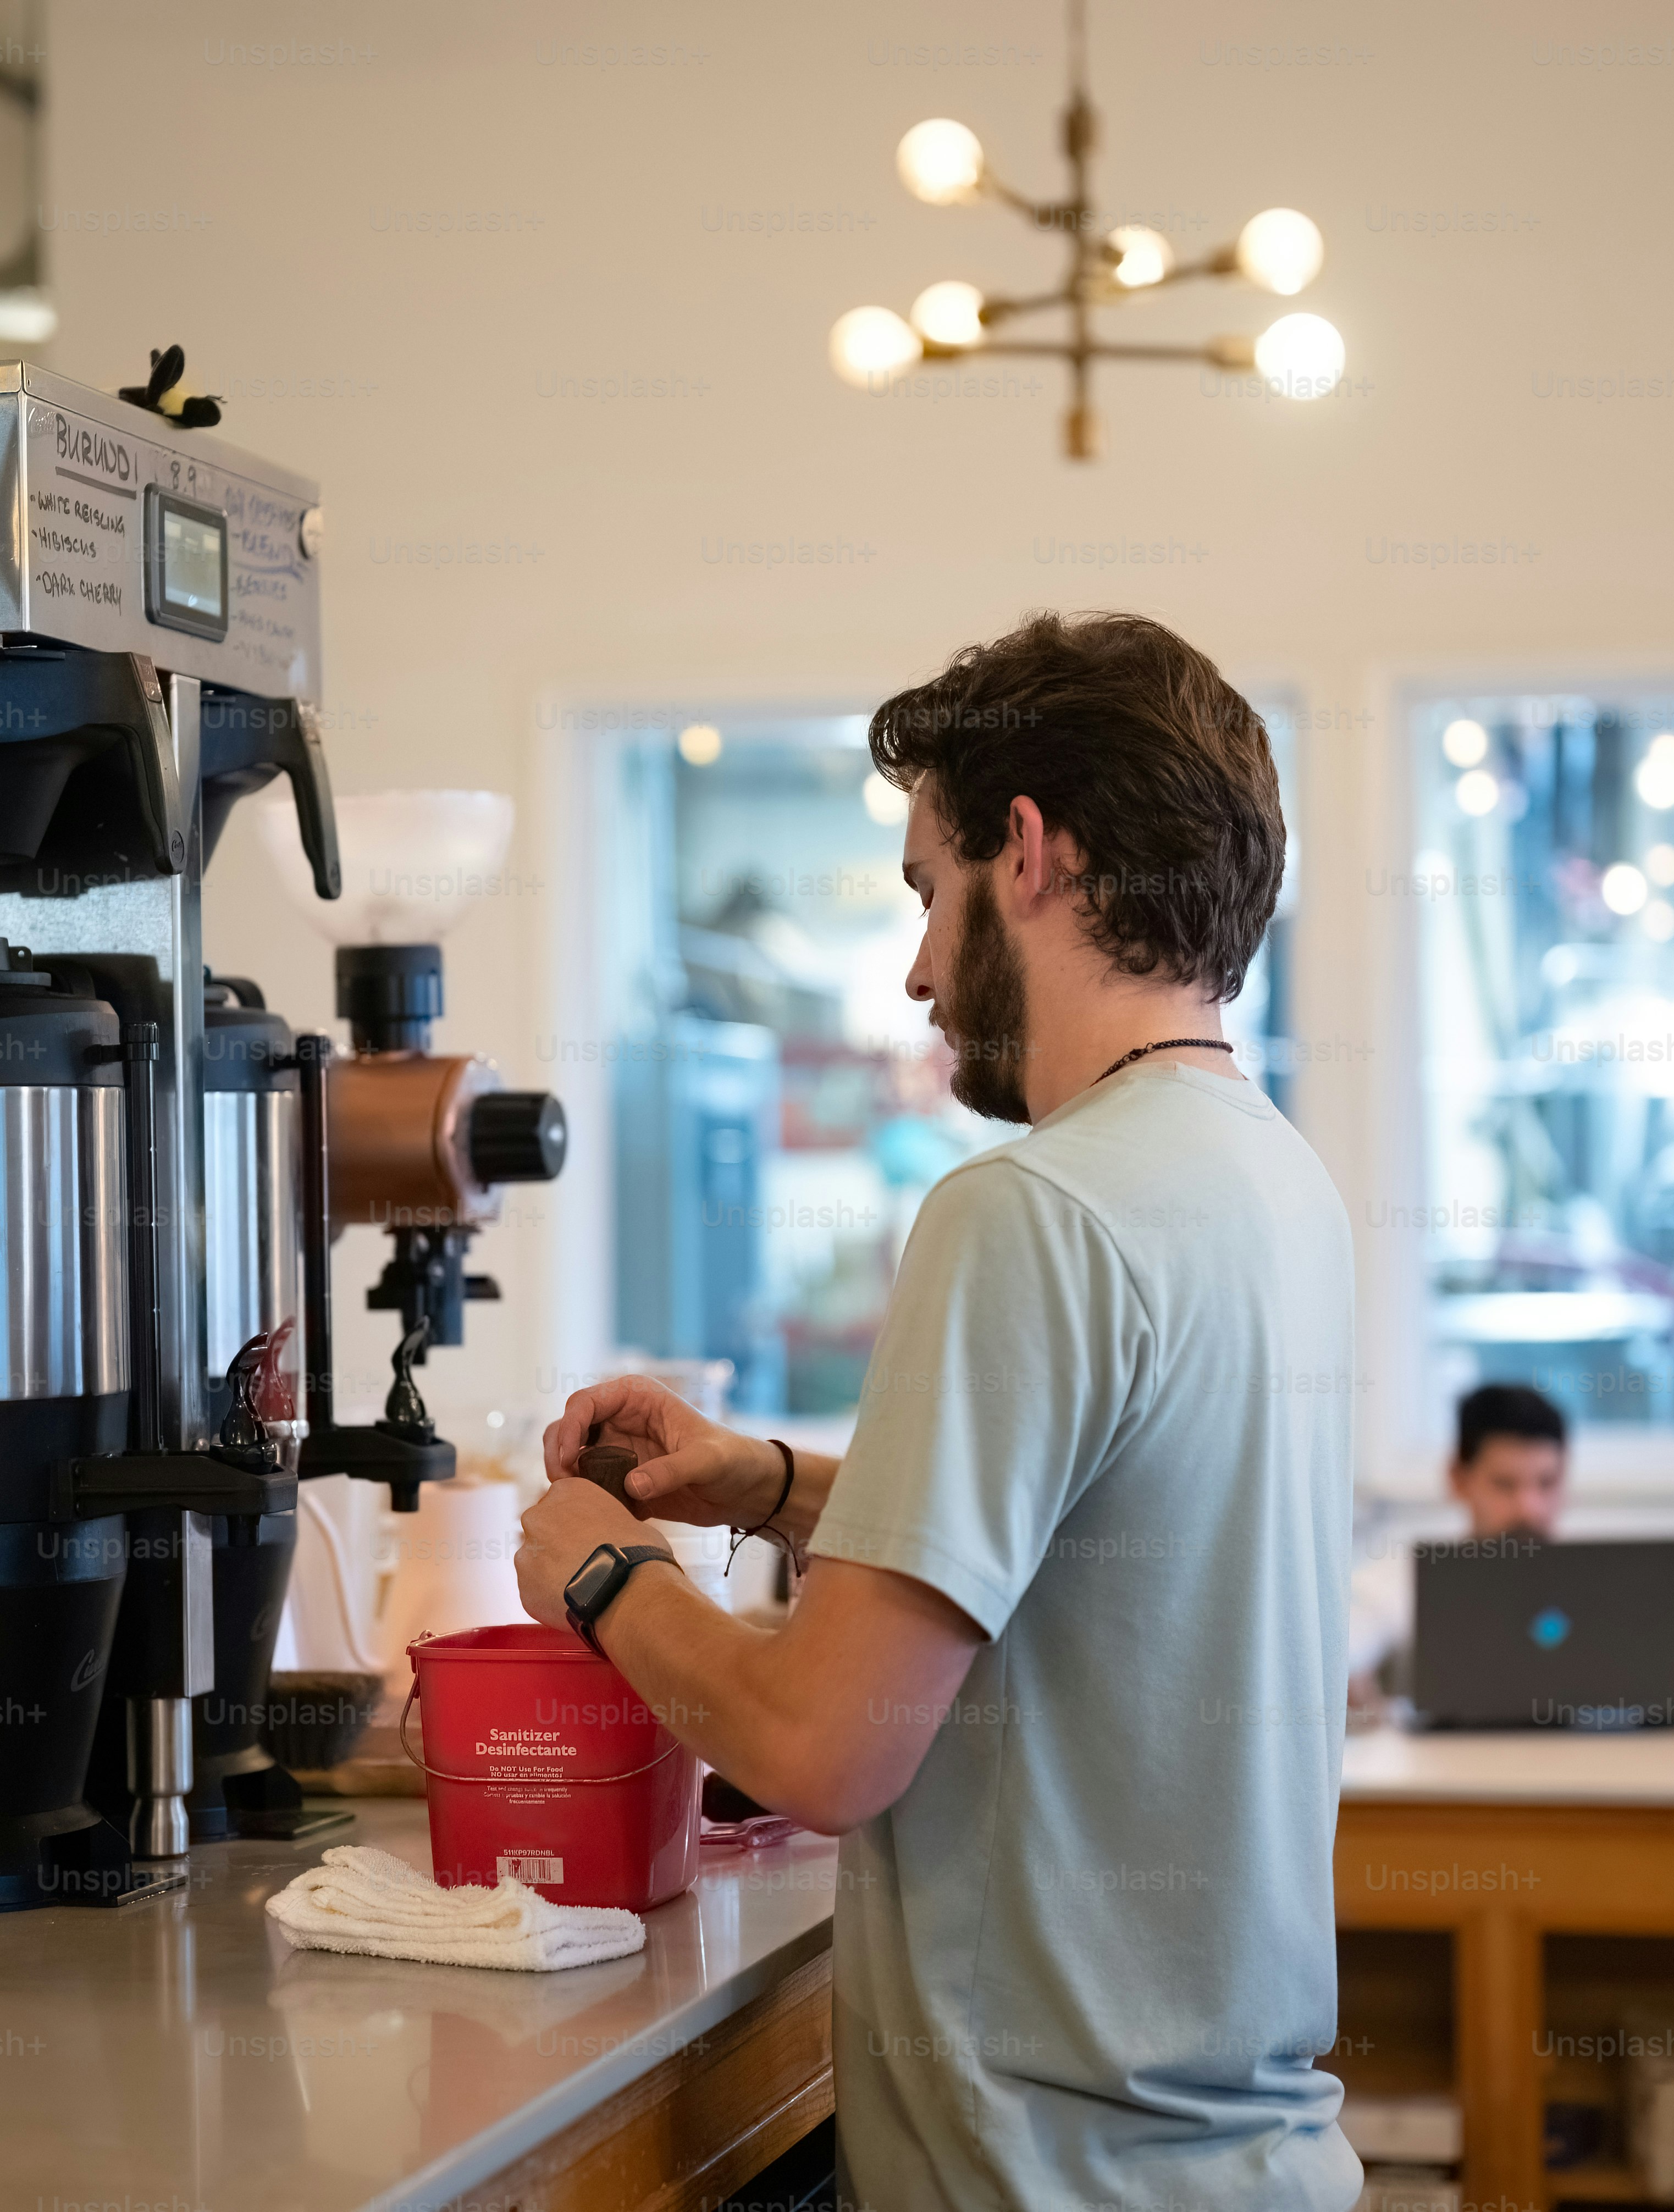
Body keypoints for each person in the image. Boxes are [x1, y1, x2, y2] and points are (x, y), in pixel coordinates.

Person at [514, 612, 1362, 2210]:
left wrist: (594, 1568)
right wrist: (765, 1485)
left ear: (1028, 855)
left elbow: (821, 1750)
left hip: (1044, 2177)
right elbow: (1115, 1534)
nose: (913, 970)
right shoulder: (1265, 1178)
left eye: (925, 889)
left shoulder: (1024, 1208)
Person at [1345, 1382, 1674, 1722]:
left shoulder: (1610, 1577)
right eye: (1505, 1485)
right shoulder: (1400, 1575)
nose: (1529, 1507)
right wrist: (1349, 1681)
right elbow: (1347, 1647)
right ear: (1458, 1479)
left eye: (1546, 1483)